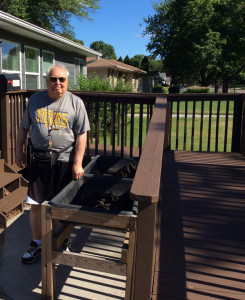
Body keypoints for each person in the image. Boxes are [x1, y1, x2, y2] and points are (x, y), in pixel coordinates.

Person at [15, 64, 90, 264]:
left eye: (62, 79)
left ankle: (62, 241)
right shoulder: (34, 101)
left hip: (65, 161)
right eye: (53, 79)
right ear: (46, 81)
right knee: (36, 205)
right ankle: (37, 243)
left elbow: (82, 134)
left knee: (62, 206)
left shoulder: (76, 103)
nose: (57, 83)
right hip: (39, 160)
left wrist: (78, 163)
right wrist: (18, 151)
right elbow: (23, 128)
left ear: (67, 81)